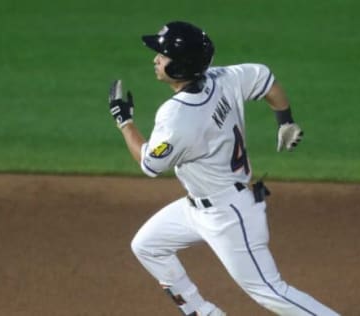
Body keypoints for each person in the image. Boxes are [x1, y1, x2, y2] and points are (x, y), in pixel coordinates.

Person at [108, 21, 340, 316]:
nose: (156, 59)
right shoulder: (222, 78)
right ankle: (203, 312)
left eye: (163, 56)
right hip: (198, 207)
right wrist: (286, 120)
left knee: (269, 291)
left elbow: (149, 164)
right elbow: (265, 78)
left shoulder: (178, 116)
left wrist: (124, 122)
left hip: (229, 214)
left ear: (180, 67)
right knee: (147, 245)